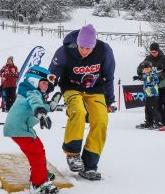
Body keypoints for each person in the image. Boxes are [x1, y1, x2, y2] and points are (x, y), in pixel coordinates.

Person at [49, 24, 115, 181]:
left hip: (95, 90)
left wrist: (109, 99)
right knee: (78, 111)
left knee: (101, 121)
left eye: (89, 48)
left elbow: (109, 75)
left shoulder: (104, 50)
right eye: (82, 47)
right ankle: (72, 154)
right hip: (72, 87)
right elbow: (52, 75)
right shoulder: (65, 51)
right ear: (77, 43)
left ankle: (89, 164)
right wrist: (45, 90)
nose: (85, 51)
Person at [3, 66, 61, 194]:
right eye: (44, 83)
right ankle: (39, 184)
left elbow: (37, 103)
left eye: (47, 84)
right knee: (36, 154)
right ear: (34, 81)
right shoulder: (32, 92)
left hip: (22, 128)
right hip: (19, 129)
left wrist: (50, 106)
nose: (46, 86)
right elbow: (35, 102)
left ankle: (40, 172)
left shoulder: (29, 91)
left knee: (39, 149)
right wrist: (41, 111)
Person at [138, 43, 165, 130]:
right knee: (156, 104)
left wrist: (158, 77)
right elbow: (141, 68)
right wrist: (141, 75)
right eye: (152, 52)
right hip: (154, 85)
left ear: (158, 50)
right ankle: (156, 122)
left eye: (155, 52)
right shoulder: (148, 58)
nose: (153, 53)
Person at [135, 61, 161, 129]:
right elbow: (143, 78)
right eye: (144, 69)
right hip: (148, 94)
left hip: (154, 94)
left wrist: (152, 82)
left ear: (150, 68)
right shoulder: (145, 75)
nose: (146, 70)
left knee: (154, 108)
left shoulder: (153, 74)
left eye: (147, 69)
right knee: (147, 108)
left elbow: (156, 81)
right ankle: (149, 122)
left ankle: (158, 122)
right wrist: (137, 77)